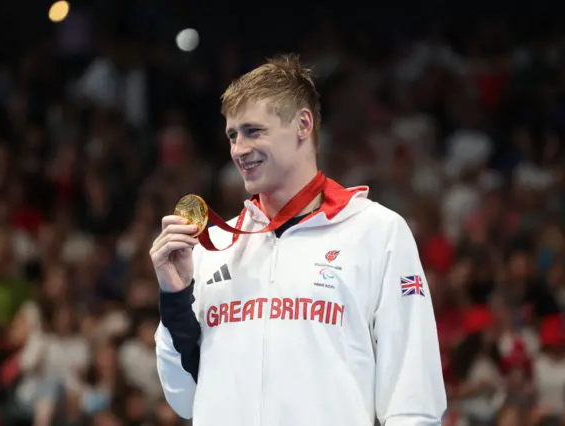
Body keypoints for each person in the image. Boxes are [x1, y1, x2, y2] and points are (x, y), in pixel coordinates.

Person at [150, 54, 447, 426]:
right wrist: (176, 297)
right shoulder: (213, 247)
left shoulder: (377, 232)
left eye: (253, 131)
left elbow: (413, 395)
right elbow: (185, 398)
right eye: (232, 135)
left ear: (303, 124)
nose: (238, 149)